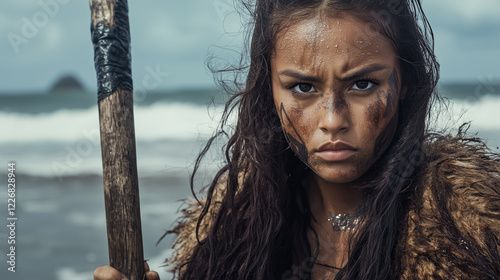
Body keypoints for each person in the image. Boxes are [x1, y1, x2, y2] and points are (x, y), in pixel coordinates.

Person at [94, 0, 500, 279]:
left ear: (406, 81)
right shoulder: (232, 232)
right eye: (303, 88)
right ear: (269, 90)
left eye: (363, 84)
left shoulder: (474, 234)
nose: (332, 120)